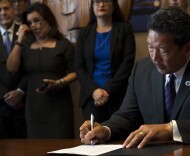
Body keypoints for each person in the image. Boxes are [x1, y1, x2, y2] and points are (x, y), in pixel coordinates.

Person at [79, 6, 190, 148]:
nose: (154, 57)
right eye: (150, 47)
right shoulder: (142, 69)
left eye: (163, 50)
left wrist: (170, 129)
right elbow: (127, 116)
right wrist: (106, 130)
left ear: (188, 48)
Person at [7, 2, 76, 139]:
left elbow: (75, 72)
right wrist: (20, 39)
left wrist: (59, 82)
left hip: (59, 106)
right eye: (30, 22)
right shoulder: (26, 46)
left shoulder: (63, 45)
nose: (33, 25)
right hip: (34, 108)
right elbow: (11, 67)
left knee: (60, 147)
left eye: (37, 20)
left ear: (48, 19)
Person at [74, 0, 135, 123]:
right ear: (92, 7)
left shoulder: (125, 29)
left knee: (120, 138)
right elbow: (79, 66)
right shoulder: (84, 33)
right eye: (97, 2)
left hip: (118, 96)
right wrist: (94, 90)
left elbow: (127, 64)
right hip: (91, 97)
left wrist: (107, 90)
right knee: (93, 138)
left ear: (113, 6)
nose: (101, 4)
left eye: (105, 1)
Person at [0, 0, 26, 139]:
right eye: (0, 10)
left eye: (6, 8)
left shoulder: (26, 31)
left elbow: (32, 66)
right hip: (1, 104)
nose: (3, 13)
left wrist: (20, 91)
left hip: (25, 103)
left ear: (13, 9)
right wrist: (8, 97)